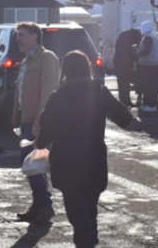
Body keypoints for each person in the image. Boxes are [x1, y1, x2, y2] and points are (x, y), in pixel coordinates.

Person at [36, 51, 134, 248]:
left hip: (67, 163)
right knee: (89, 208)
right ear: (86, 68)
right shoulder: (99, 91)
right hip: (95, 160)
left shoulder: (58, 96)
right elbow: (125, 118)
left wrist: (39, 143)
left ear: (65, 71)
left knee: (78, 214)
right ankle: (91, 240)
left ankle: (87, 243)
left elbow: (46, 131)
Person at [12, 22, 60, 225]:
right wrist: (15, 120)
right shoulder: (26, 61)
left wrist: (41, 120)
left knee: (31, 163)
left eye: (22, 35)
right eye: (17, 35)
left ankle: (45, 206)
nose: (18, 39)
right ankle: (39, 205)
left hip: (37, 120)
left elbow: (49, 91)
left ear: (35, 36)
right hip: (26, 120)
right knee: (32, 163)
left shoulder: (46, 57)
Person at [136, 21, 158, 113]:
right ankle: (150, 104)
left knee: (148, 85)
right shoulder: (152, 36)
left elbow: (147, 50)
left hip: (148, 64)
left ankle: (150, 105)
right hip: (152, 63)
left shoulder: (148, 37)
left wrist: (138, 52)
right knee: (151, 85)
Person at [113, 27, 142, 107]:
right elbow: (135, 51)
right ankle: (126, 100)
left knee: (120, 81)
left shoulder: (122, 34)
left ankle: (122, 100)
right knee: (126, 82)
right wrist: (137, 61)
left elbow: (116, 46)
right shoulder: (136, 37)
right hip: (126, 62)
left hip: (117, 60)